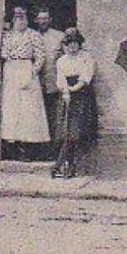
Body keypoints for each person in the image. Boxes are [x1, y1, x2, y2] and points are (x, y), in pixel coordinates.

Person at [0, 7, 50, 160]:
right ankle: (12, 145)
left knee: (29, 110)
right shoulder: (7, 36)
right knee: (12, 109)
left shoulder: (33, 35)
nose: (21, 21)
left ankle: (29, 146)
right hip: (11, 70)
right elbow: (3, 53)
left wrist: (32, 72)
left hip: (26, 69)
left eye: (23, 18)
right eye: (17, 18)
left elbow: (40, 55)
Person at [50, 28, 98, 179]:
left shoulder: (86, 58)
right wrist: (65, 91)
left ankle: (62, 164)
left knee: (76, 133)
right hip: (66, 96)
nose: (72, 47)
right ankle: (67, 165)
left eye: (75, 43)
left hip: (82, 96)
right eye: (69, 43)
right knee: (65, 132)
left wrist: (73, 89)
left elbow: (86, 77)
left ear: (79, 44)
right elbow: (60, 78)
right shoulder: (62, 61)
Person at [34, 8, 66, 146]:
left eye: (46, 18)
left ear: (50, 20)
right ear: (36, 20)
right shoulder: (31, 35)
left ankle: (53, 147)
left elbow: (67, 57)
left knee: (54, 115)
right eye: (40, 19)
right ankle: (38, 147)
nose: (43, 21)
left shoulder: (59, 36)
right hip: (34, 83)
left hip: (53, 82)